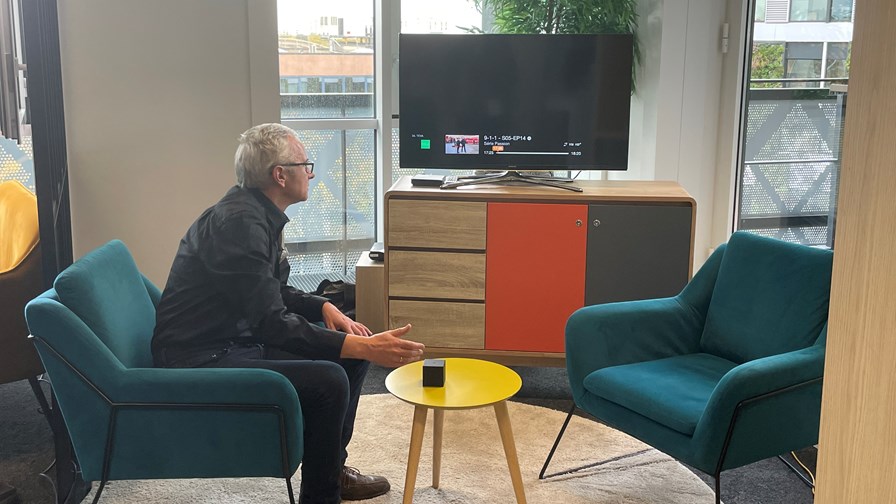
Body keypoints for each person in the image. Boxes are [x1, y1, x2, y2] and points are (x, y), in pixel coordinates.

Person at [151, 123, 426, 504]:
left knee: (350, 357)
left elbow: (268, 289)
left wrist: (323, 305)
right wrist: (357, 346)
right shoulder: (239, 225)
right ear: (279, 175)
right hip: (200, 357)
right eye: (305, 164)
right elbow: (270, 322)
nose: (311, 173)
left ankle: (331, 471)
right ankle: (322, 496)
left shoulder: (255, 214)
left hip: (233, 340)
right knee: (332, 376)